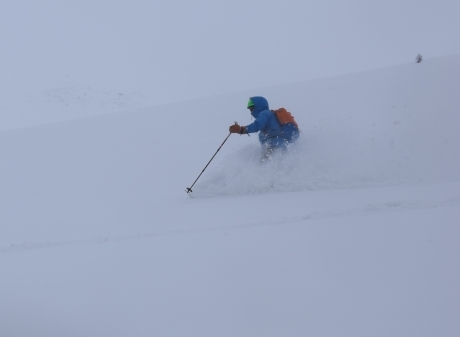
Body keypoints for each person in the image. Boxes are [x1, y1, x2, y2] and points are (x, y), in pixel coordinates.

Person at [229, 96, 299, 159]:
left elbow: (257, 126)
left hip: (275, 144)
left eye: (252, 108)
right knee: (277, 163)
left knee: (264, 162)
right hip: (280, 143)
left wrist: (242, 129)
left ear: (258, 106)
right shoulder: (268, 114)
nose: (251, 111)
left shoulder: (264, 114)